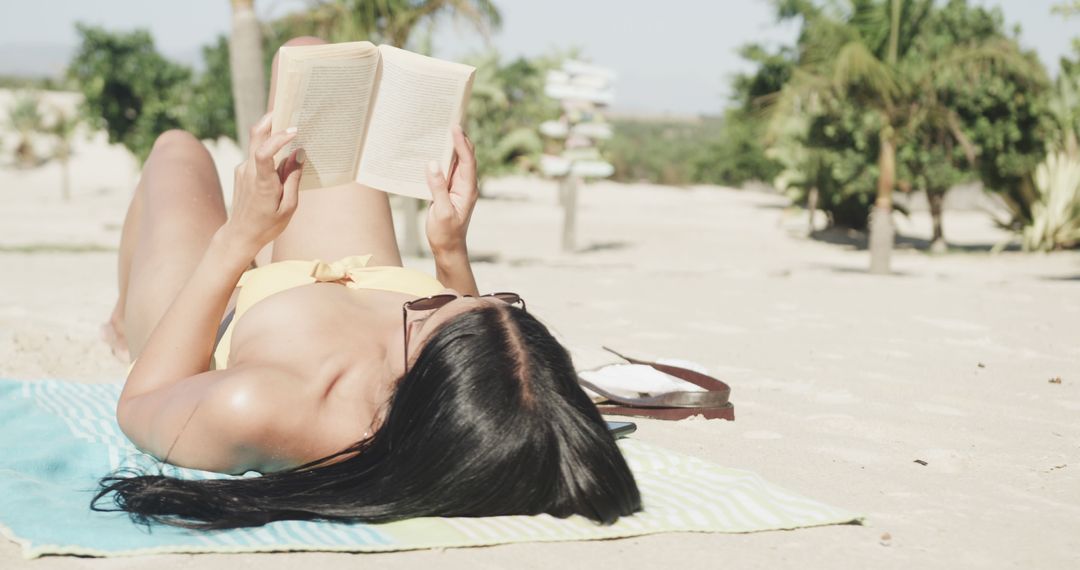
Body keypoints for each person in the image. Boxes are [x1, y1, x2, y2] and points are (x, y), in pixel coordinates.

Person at [92, 36, 641, 530]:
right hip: (354, 272)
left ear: (427, 382)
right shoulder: (479, 396)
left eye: (438, 310)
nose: (466, 298)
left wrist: (238, 240)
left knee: (178, 150)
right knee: (318, 69)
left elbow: (139, 401)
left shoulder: (264, 406)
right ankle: (269, 236)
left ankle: (123, 320)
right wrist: (449, 249)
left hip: (222, 314)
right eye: (492, 304)